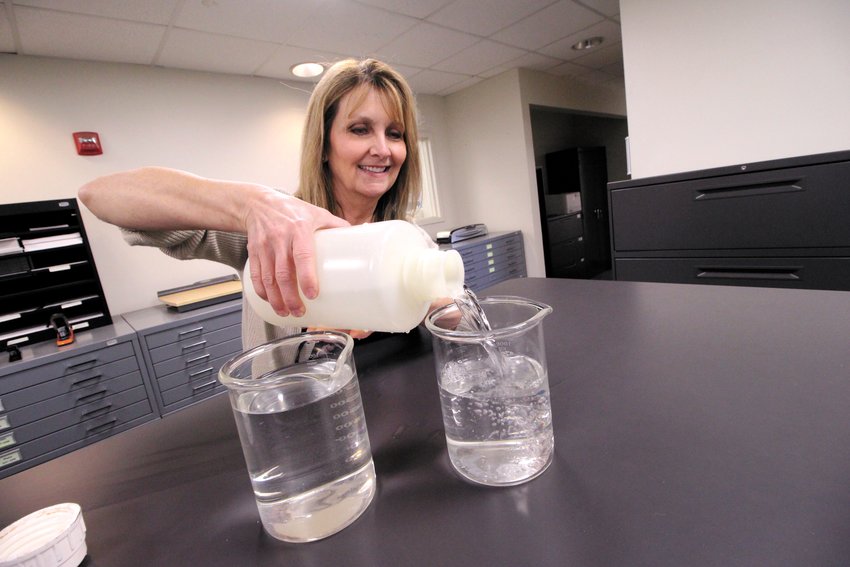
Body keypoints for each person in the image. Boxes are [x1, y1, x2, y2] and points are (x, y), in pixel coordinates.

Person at [79, 58, 436, 349]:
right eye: (360, 129)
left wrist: (441, 308)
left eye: (395, 134)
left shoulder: (410, 241)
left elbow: (454, 321)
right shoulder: (272, 230)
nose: (383, 149)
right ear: (323, 146)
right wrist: (253, 206)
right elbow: (102, 195)